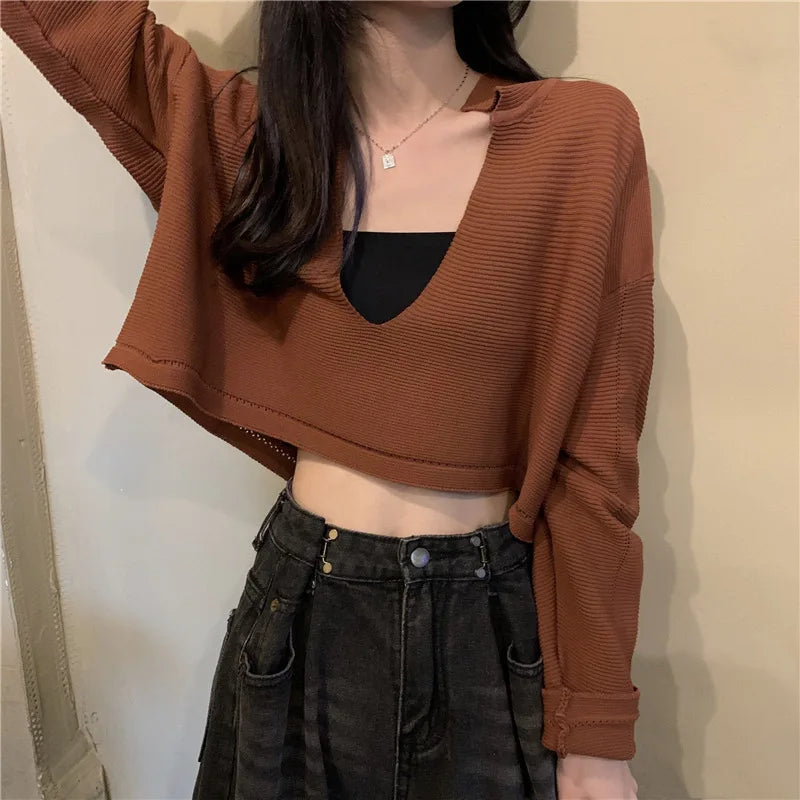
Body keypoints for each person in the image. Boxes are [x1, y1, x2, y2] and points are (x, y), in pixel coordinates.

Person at [1, 1, 655, 798]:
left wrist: (596, 734)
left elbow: (595, 458)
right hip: (299, 618)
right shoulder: (253, 142)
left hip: (492, 636)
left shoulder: (582, 137)